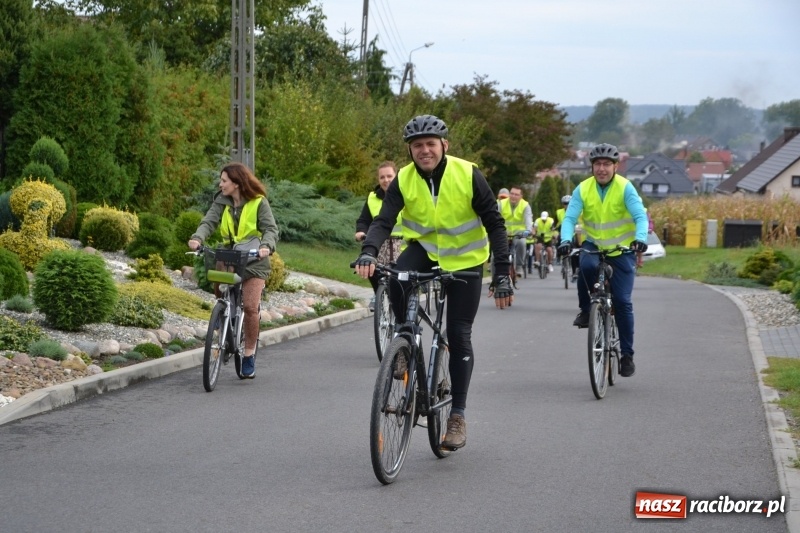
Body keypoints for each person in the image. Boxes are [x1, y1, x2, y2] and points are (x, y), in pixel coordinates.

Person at [354, 114, 512, 450]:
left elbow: (495, 224)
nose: (424, 150)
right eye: (417, 146)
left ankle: (457, 414)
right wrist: (369, 252)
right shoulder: (404, 179)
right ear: (410, 150)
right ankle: (404, 340)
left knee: (458, 333)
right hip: (426, 250)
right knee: (395, 278)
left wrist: (501, 272)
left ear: (444, 145)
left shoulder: (467, 173)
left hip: (467, 261)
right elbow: (383, 220)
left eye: (430, 144)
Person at [557, 143, 648, 377]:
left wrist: (640, 239)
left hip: (622, 250)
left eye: (607, 164)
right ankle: (586, 309)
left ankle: (627, 355)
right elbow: (569, 218)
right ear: (592, 167)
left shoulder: (625, 188)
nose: (602, 168)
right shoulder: (583, 189)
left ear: (616, 166)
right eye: (597, 164)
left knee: (623, 302)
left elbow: (640, 216)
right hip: (595, 244)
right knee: (585, 265)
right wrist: (566, 240)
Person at [188, 162, 279, 379]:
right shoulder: (222, 201)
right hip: (230, 255)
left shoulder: (259, 202)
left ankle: (248, 355)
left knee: (249, 306)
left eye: (224, 181)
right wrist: (197, 237)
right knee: (219, 287)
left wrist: (266, 246)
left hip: (255, 258)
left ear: (236, 183)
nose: (220, 185)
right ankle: (222, 315)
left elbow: (270, 229)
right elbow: (208, 222)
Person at [355, 161, 402, 310]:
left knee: (401, 277)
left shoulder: (405, 195)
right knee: (369, 264)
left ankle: (406, 298)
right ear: (378, 179)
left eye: (389, 176)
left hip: (402, 243)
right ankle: (378, 293)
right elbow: (364, 220)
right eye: (382, 177)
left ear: (396, 177)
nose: (386, 180)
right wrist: (361, 231)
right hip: (380, 242)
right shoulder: (372, 198)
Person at [497, 186, 532, 278]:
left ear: (521, 196)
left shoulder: (525, 205)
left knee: (521, 243)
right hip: (504, 232)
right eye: (512, 194)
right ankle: (495, 276)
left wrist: (528, 231)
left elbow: (528, 219)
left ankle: (519, 266)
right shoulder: (501, 203)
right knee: (494, 255)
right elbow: (496, 218)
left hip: (519, 234)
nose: (513, 196)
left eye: (516, 194)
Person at [556, 195, 580, 281]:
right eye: (565, 204)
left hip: (573, 232)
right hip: (562, 232)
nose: (567, 205)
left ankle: (574, 272)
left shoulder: (576, 211)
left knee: (574, 251)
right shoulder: (559, 212)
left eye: (568, 203)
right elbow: (556, 222)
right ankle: (558, 257)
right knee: (558, 239)